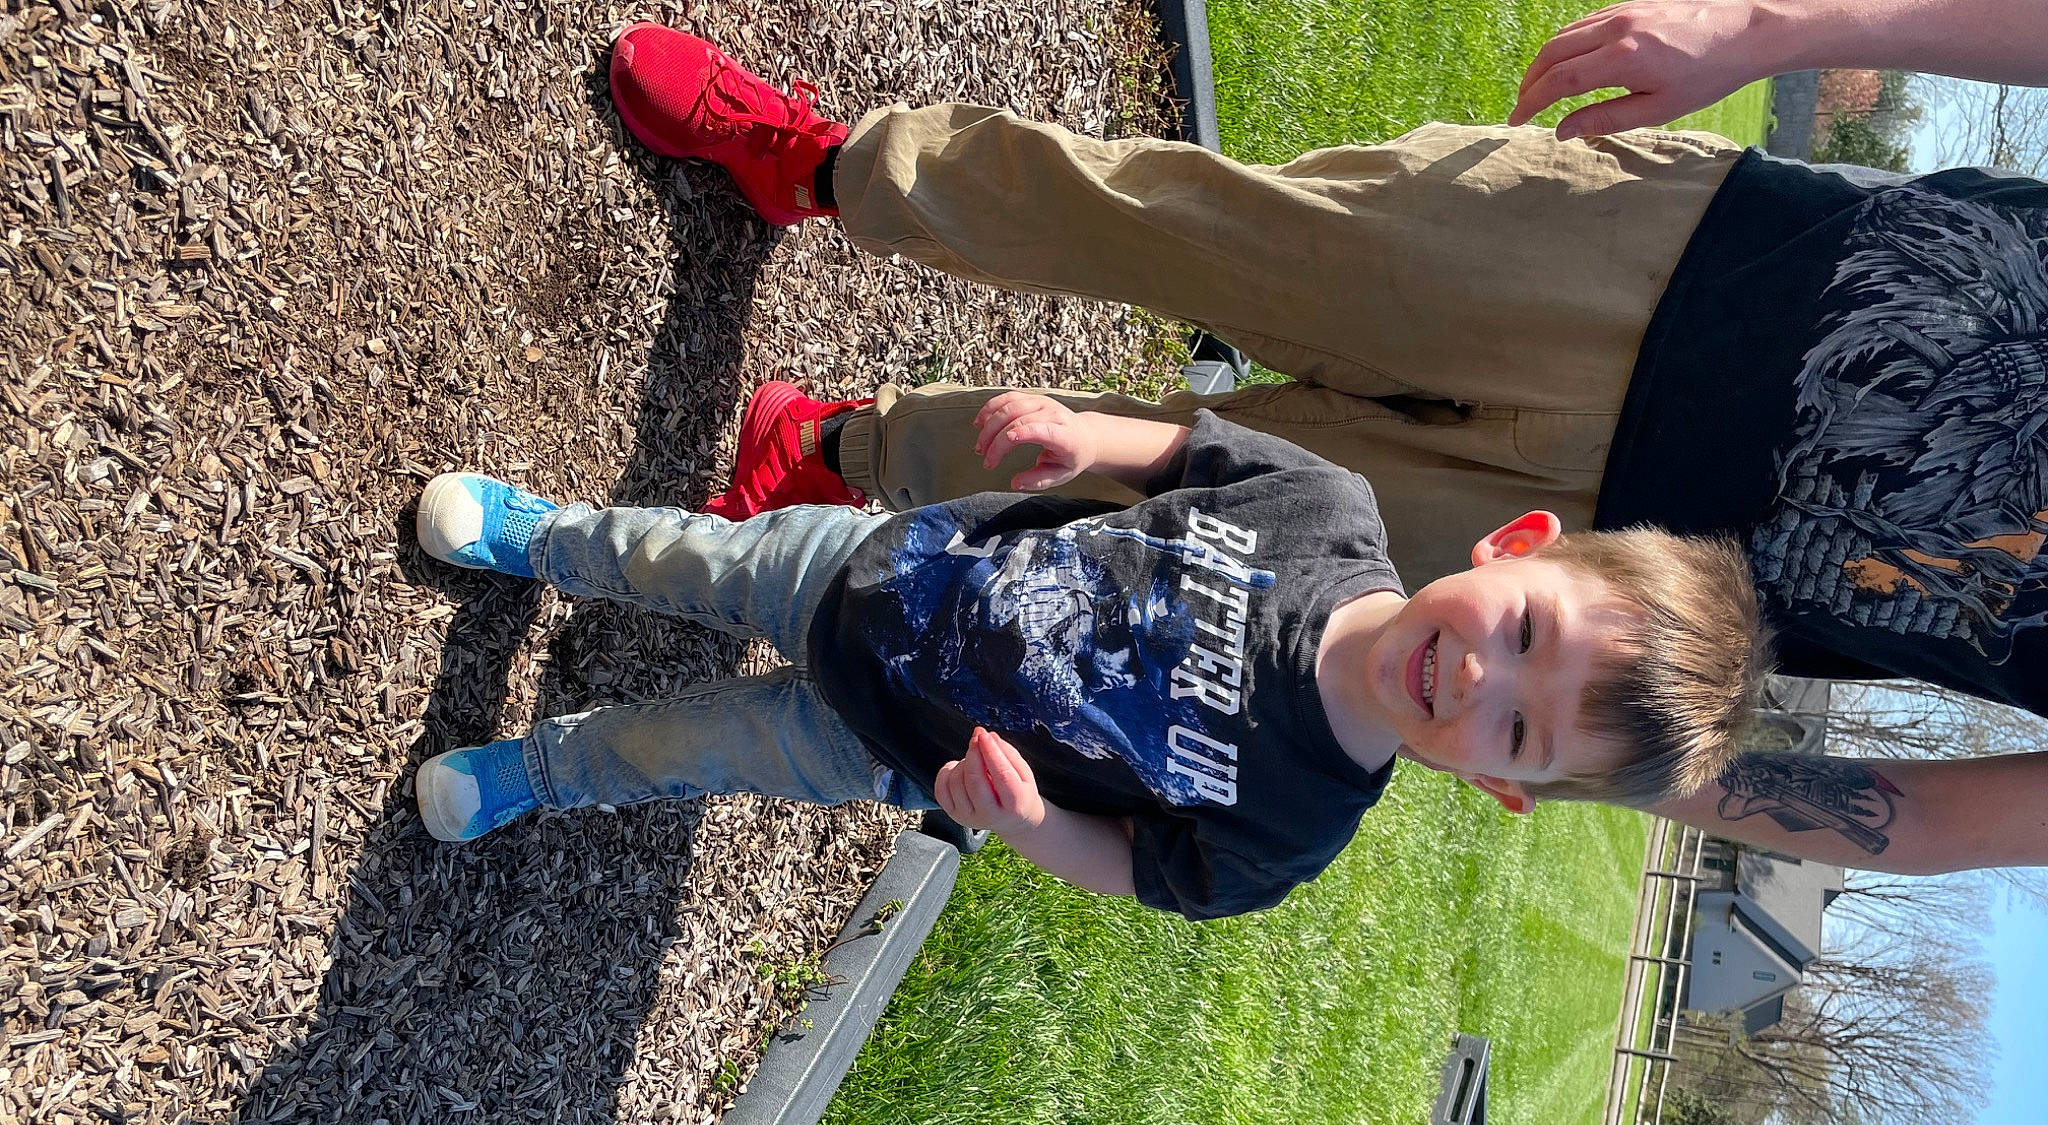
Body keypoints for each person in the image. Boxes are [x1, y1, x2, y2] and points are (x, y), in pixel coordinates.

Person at [601, 3, 2048, 877]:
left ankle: (846, 461)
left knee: (1155, 554)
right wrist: (1777, 29)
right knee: (1198, 227)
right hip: (1700, 260)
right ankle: (838, 168)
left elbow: (1913, 821)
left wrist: (1584, 746)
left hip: (1629, 589)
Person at [409, 397, 1769, 919]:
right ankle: (543, 537)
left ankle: (549, 766)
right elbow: (1188, 453)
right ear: (1514, 547)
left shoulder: (1293, 829)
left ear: (1502, 788)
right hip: (895, 566)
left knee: (699, 748)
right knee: (687, 560)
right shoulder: (1329, 510)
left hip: (902, 751)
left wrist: (1028, 820)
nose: (1481, 683)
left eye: (1519, 731)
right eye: (1525, 634)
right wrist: (1082, 438)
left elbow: (1139, 868)